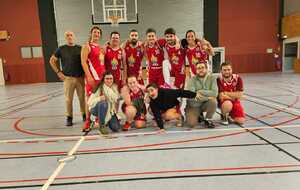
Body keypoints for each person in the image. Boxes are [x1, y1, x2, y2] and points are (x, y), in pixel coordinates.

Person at [49, 31, 85, 126]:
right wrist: (58, 72)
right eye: (67, 35)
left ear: (74, 37)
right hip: (68, 78)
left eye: (71, 35)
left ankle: (84, 115)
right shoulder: (61, 49)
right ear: (65, 38)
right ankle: (69, 117)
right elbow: (52, 60)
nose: (69, 37)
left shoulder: (80, 48)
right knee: (69, 99)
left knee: (82, 98)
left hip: (80, 78)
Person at [81, 26, 106, 132]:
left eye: (98, 33)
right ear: (91, 33)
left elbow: (101, 63)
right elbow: (83, 62)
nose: (96, 34)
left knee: (101, 98)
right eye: (95, 32)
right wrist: (89, 76)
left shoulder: (100, 48)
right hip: (92, 78)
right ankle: (87, 120)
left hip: (101, 78)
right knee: (89, 98)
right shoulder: (87, 46)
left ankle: (98, 118)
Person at [185, 62, 218, 128]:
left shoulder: (212, 78)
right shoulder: (192, 80)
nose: (201, 70)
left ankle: (208, 119)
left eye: (202, 68)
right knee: (191, 124)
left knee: (213, 102)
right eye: (198, 68)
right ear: (196, 70)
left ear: (206, 69)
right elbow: (191, 96)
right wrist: (208, 98)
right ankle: (198, 115)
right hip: (193, 105)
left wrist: (199, 91)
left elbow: (214, 93)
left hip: (204, 104)